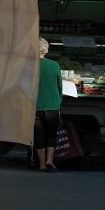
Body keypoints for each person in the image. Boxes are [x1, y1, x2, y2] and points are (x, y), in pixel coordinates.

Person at [34, 37, 63, 171]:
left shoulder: (31, 65)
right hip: (53, 105)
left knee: (39, 134)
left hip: (36, 105)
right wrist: (59, 104)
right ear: (46, 50)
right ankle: (50, 161)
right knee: (51, 134)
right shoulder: (55, 65)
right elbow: (60, 87)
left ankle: (41, 165)